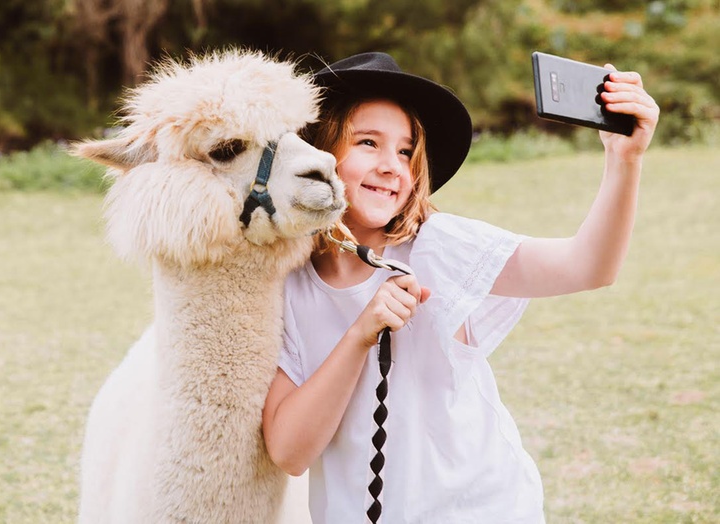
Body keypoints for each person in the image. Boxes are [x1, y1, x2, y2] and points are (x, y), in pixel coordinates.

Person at [262, 52, 659, 523]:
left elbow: (588, 266)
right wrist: (358, 336)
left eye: (407, 151)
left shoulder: (439, 248)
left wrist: (624, 160)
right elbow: (289, 452)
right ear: (315, 154)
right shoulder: (286, 286)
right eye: (368, 142)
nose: (393, 166)